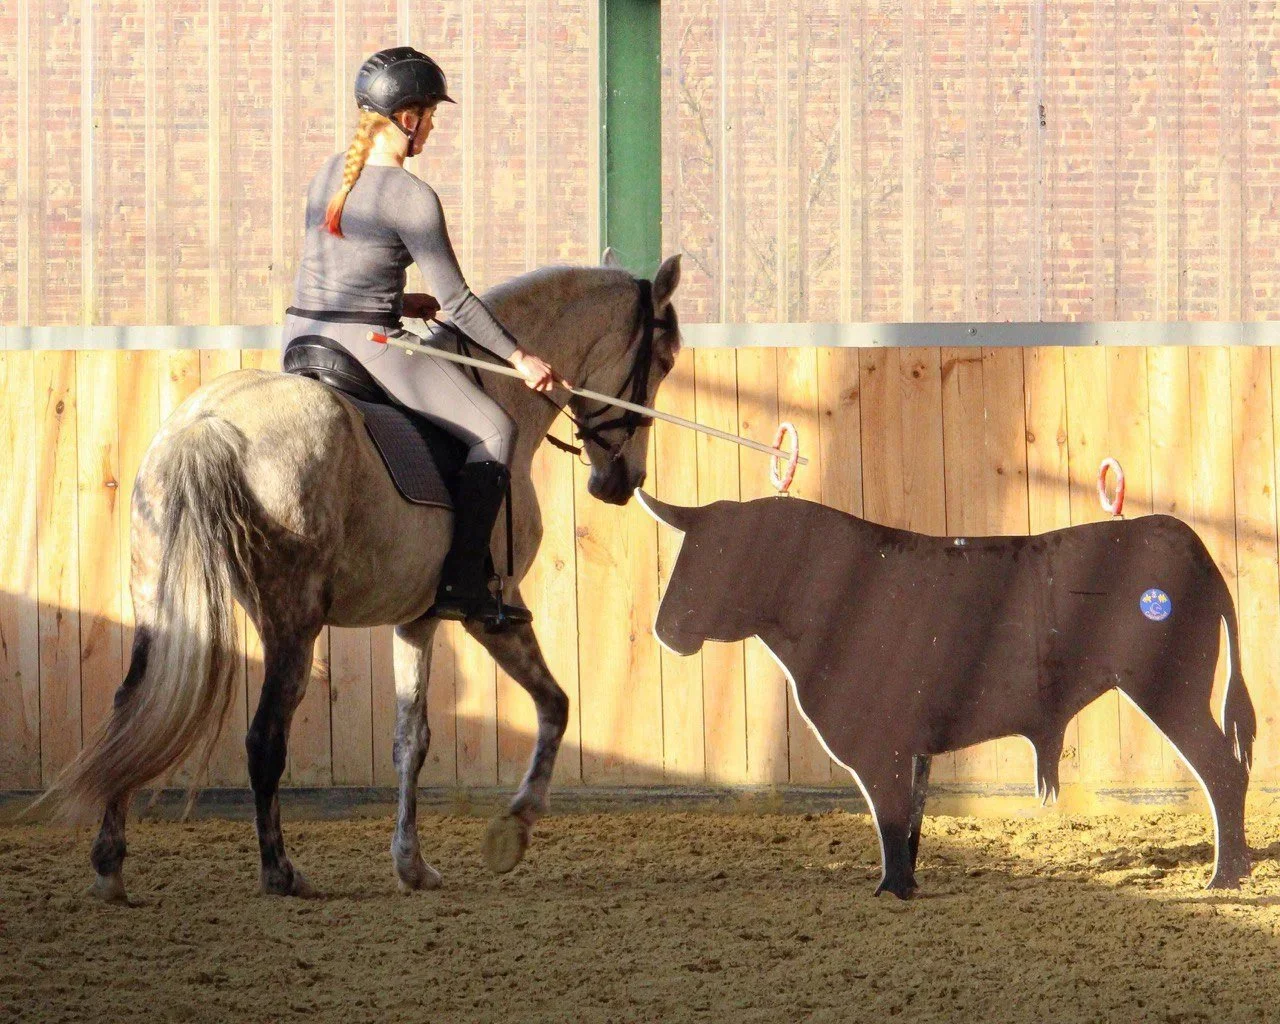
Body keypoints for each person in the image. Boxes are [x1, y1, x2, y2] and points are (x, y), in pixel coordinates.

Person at [282, 46, 568, 625]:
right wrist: (519, 358)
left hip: (300, 337)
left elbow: (341, 269)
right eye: (430, 115)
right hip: (367, 349)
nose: (433, 126)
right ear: (406, 119)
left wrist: (399, 299)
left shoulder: (325, 174)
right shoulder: (413, 197)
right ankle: (464, 583)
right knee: (495, 429)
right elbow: (460, 302)